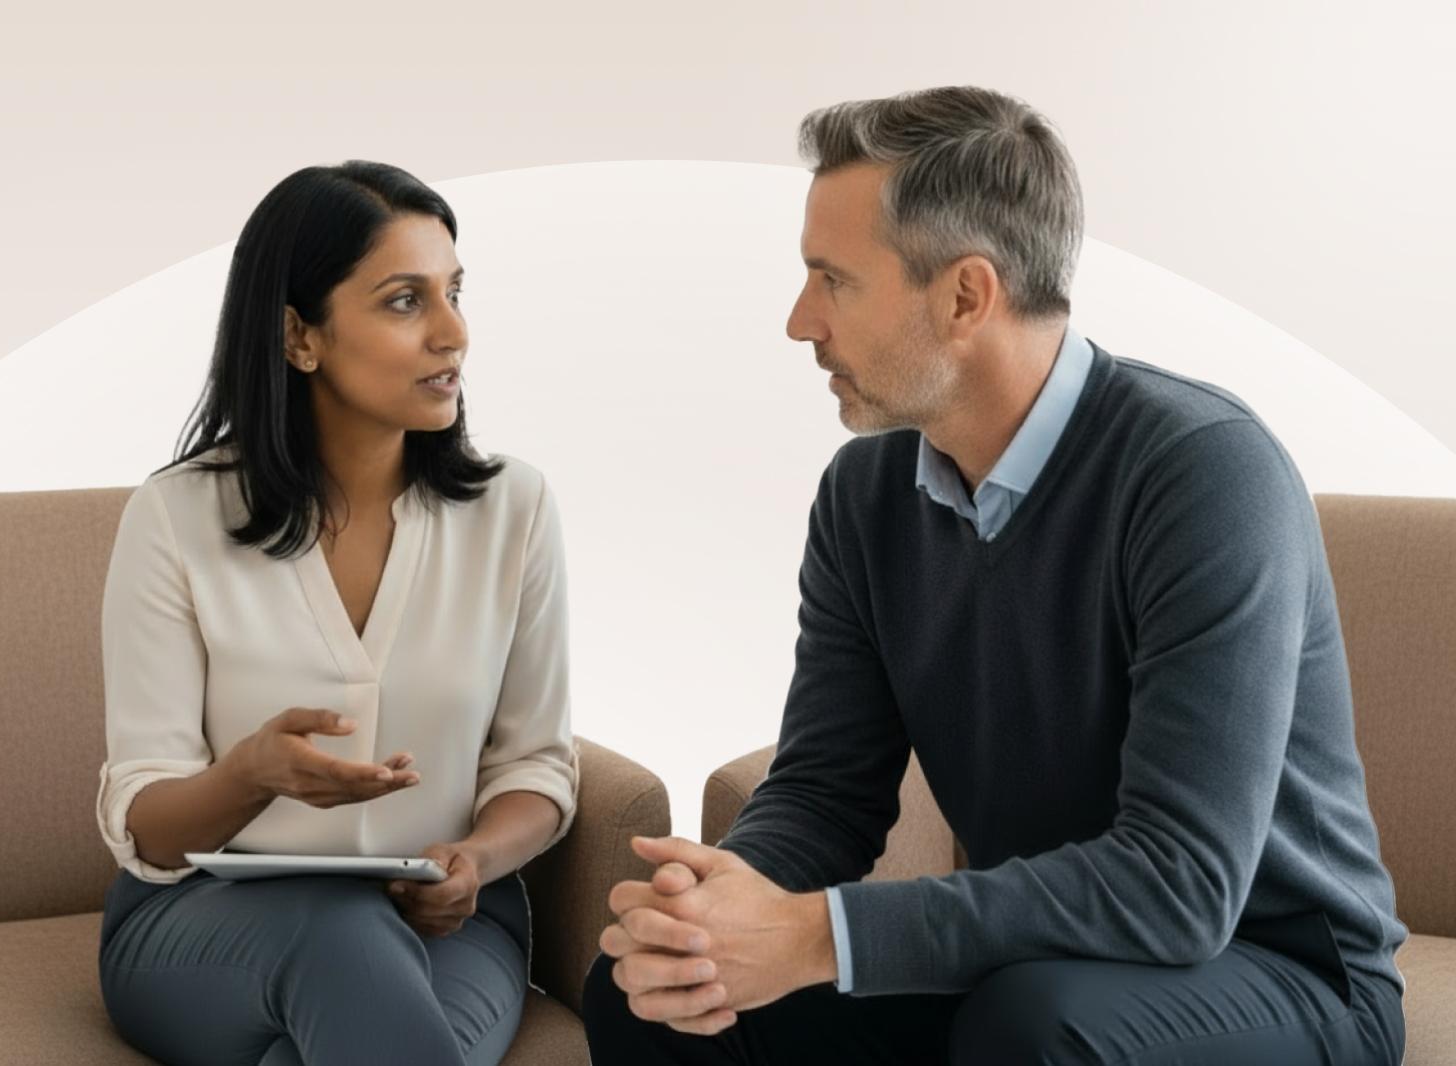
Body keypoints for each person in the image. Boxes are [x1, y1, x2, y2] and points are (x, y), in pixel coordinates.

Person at [582, 86, 1407, 1064]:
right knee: (655, 997)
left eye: (831, 280)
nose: (800, 321)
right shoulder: (866, 493)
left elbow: (1180, 883)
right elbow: (824, 793)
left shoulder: (1204, 473)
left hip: (1279, 971)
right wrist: (720, 911)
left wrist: (812, 937)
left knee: (1031, 1024)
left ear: (966, 295)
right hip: (1037, 957)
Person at [94, 160, 579, 1066]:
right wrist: (251, 775)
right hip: (202, 923)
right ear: (298, 336)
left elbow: (536, 765)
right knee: (335, 936)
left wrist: (473, 858)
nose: (454, 334)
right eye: (405, 301)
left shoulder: (515, 509)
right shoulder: (176, 518)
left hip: (447, 924)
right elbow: (147, 819)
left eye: (456, 292)